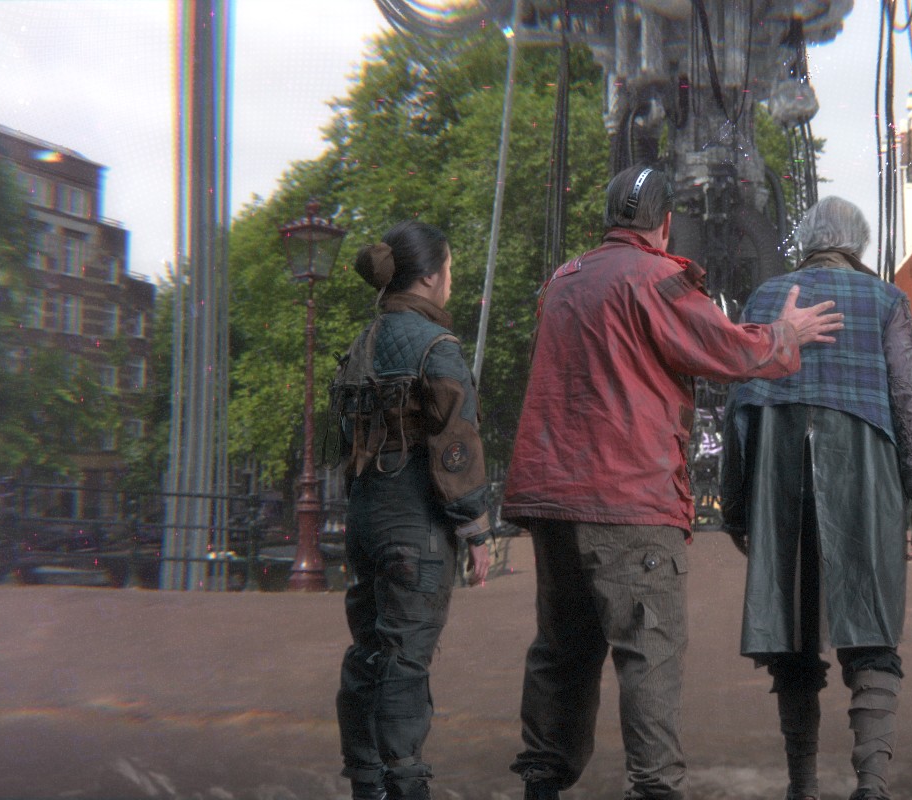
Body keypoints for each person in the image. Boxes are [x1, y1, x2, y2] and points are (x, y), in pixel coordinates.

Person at [502, 164, 846, 800]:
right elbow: (723, 349)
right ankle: (656, 788)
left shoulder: (563, 280)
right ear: (665, 224)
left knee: (561, 650)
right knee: (649, 652)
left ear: (610, 217)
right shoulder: (655, 278)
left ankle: (542, 783)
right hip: (629, 499)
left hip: (551, 498)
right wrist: (786, 335)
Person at [720, 197, 912, 800]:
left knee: (793, 628)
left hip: (778, 474)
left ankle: (802, 786)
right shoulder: (886, 300)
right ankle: (872, 784)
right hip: (866, 471)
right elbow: (910, 399)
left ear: (807, 241)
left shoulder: (766, 298)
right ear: (857, 244)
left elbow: (739, 404)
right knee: (872, 622)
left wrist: (736, 505)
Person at [330, 220, 494, 800]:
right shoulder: (437, 348)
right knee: (405, 660)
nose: (451, 280)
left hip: (364, 518)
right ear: (427, 277)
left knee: (369, 650)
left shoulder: (361, 344)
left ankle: (366, 781)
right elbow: (455, 445)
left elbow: (344, 439)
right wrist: (477, 530)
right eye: (448, 269)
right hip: (414, 523)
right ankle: (404, 784)